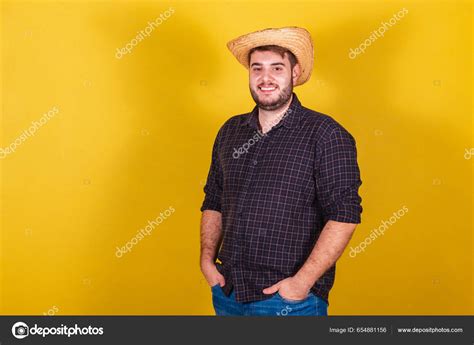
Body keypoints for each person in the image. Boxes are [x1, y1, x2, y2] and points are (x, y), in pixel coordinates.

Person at [200, 26, 363, 316]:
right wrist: (207, 261)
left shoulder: (325, 134)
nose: (265, 78)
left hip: (288, 301)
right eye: (257, 68)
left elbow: (344, 215)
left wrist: (302, 283)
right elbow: (214, 199)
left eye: (277, 68)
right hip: (228, 292)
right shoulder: (230, 131)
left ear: (295, 73)